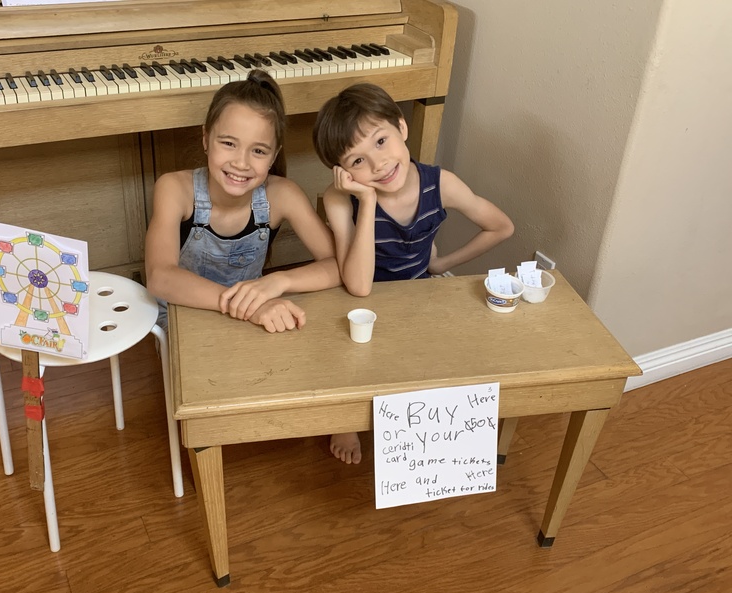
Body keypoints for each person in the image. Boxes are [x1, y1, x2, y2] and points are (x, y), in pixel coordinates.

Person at [312, 83, 514, 464]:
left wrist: (441, 264)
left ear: (402, 128)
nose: (377, 165)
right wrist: (367, 200)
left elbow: (501, 226)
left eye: (381, 141)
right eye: (356, 162)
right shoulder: (339, 199)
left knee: (444, 354)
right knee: (346, 344)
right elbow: (357, 285)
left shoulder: (441, 184)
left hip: (418, 292)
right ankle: (346, 417)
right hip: (363, 296)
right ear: (343, 173)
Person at [146, 70, 340, 333]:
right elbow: (161, 278)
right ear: (206, 138)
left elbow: (339, 265)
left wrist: (279, 281)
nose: (241, 163)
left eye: (258, 151)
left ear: (274, 156)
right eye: (228, 143)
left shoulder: (283, 194)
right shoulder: (174, 188)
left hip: (250, 317)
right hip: (184, 316)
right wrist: (248, 307)